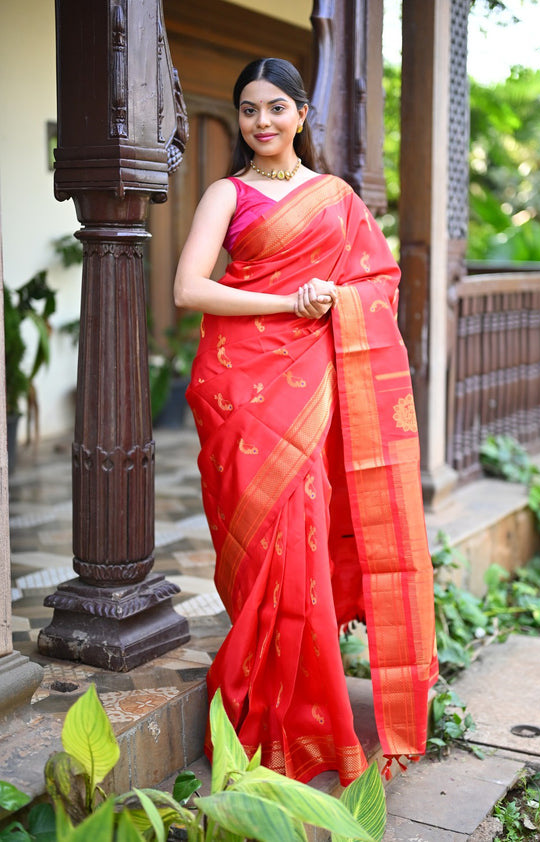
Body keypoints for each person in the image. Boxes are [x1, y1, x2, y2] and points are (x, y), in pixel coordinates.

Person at [173, 57, 438, 786]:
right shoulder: (226, 195)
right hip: (240, 388)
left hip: (314, 384)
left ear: (299, 116)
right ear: (241, 119)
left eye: (276, 108)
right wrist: (289, 303)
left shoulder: (337, 198)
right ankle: (268, 709)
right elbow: (188, 288)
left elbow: (376, 281)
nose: (263, 122)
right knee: (262, 548)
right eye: (250, 110)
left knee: (305, 540)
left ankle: (305, 720)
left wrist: (331, 302)